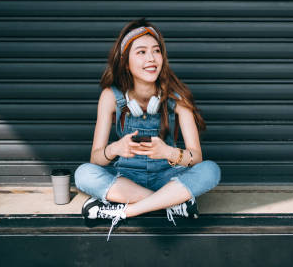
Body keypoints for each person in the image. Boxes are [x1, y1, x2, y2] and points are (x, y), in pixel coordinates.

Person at [74, 18, 221, 240]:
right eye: (141, 52)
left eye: (156, 51)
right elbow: (96, 159)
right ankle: (171, 203)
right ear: (125, 62)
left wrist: (168, 153)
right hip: (126, 178)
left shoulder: (176, 97)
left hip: (168, 175)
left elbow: (197, 158)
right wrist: (115, 149)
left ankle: (126, 210)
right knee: (83, 174)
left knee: (211, 170)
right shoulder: (110, 97)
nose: (151, 58)